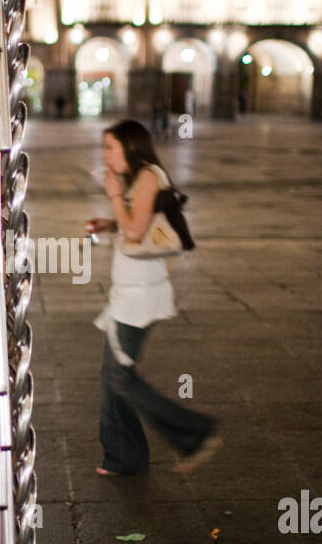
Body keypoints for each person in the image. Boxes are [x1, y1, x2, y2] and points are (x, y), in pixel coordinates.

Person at [85, 119, 221, 477]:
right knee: (111, 378)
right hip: (128, 294)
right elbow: (138, 225)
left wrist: (113, 194)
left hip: (139, 299)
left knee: (121, 379)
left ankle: (194, 434)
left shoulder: (147, 176)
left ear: (131, 147)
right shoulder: (141, 178)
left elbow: (134, 229)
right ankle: (123, 457)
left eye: (110, 146)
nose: (105, 154)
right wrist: (108, 223)